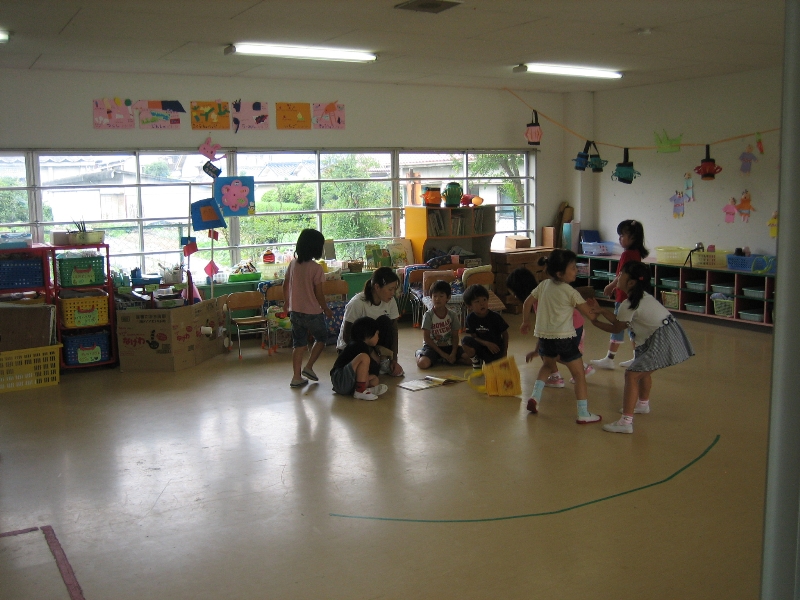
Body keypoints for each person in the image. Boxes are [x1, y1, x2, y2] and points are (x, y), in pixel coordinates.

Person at [588, 261, 695, 434]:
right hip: (663, 335)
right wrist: (601, 311)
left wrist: (595, 322)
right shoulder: (640, 298)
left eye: (621, 275)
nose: (618, 278)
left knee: (632, 374)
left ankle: (626, 422)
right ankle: (642, 404)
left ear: (631, 283)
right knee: (642, 369)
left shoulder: (629, 303)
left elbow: (617, 328)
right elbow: (619, 321)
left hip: (663, 339)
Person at [520, 249, 601, 424]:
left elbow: (527, 302)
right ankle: (583, 413)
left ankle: (534, 397)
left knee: (547, 367)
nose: (576, 270)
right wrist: (597, 309)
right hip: (564, 339)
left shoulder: (543, 286)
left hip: (545, 339)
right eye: (572, 268)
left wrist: (526, 321)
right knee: (579, 375)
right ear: (560, 273)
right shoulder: (570, 292)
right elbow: (591, 315)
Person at [505, 266, 595, 388]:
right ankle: (563, 373)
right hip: (575, 325)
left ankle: (576, 370)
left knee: (554, 353)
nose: (515, 297)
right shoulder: (543, 290)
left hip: (568, 328)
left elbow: (546, 331)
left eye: (515, 293)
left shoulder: (539, 300)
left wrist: (526, 323)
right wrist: (537, 350)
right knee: (551, 350)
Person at [590, 219, 649, 370]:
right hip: (632, 296)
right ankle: (637, 357)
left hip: (623, 297)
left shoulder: (627, 254)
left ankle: (610, 358)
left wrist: (611, 286)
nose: (619, 239)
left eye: (622, 235)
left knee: (617, 325)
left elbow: (622, 275)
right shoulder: (636, 253)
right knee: (632, 327)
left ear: (633, 238)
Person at [283, 229, 335, 388]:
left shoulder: (293, 264)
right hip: (313, 312)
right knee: (321, 338)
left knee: (298, 344)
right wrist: (325, 308)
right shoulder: (316, 268)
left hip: (295, 311)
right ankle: (309, 367)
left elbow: (285, 285)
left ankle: (296, 377)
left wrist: (287, 303)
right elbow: (318, 293)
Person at [337, 267, 404, 377]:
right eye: (390, 289)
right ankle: (374, 362)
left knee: (385, 321)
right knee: (371, 371)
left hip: (373, 345)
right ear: (377, 287)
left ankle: (383, 361)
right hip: (352, 347)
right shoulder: (357, 303)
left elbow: (393, 331)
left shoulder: (390, 301)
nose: (393, 293)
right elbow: (347, 336)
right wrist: (370, 353)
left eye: (394, 289)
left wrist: (393, 359)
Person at [415, 279, 471, 369]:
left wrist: (453, 353)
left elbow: (455, 336)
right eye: (435, 296)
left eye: (441, 296)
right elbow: (427, 338)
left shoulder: (452, 315)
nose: (437, 299)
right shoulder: (428, 315)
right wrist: (444, 354)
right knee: (423, 364)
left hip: (449, 347)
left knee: (469, 359)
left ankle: (445, 359)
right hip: (432, 347)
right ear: (431, 297)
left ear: (448, 297)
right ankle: (419, 353)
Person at [330, 316, 389, 401]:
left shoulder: (362, 346)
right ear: (368, 334)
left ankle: (361, 390)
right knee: (364, 357)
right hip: (340, 378)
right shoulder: (357, 346)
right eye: (377, 334)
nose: (378, 337)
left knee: (374, 379)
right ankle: (360, 391)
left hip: (346, 383)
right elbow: (371, 366)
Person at [461, 283, 509, 368]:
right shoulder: (470, 318)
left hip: (495, 348)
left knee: (493, 369)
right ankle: (476, 360)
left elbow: (505, 334)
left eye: (484, 300)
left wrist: (504, 352)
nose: (482, 304)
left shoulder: (495, 317)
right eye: (477, 301)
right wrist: (486, 343)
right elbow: (474, 337)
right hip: (481, 346)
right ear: (469, 306)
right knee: (465, 341)